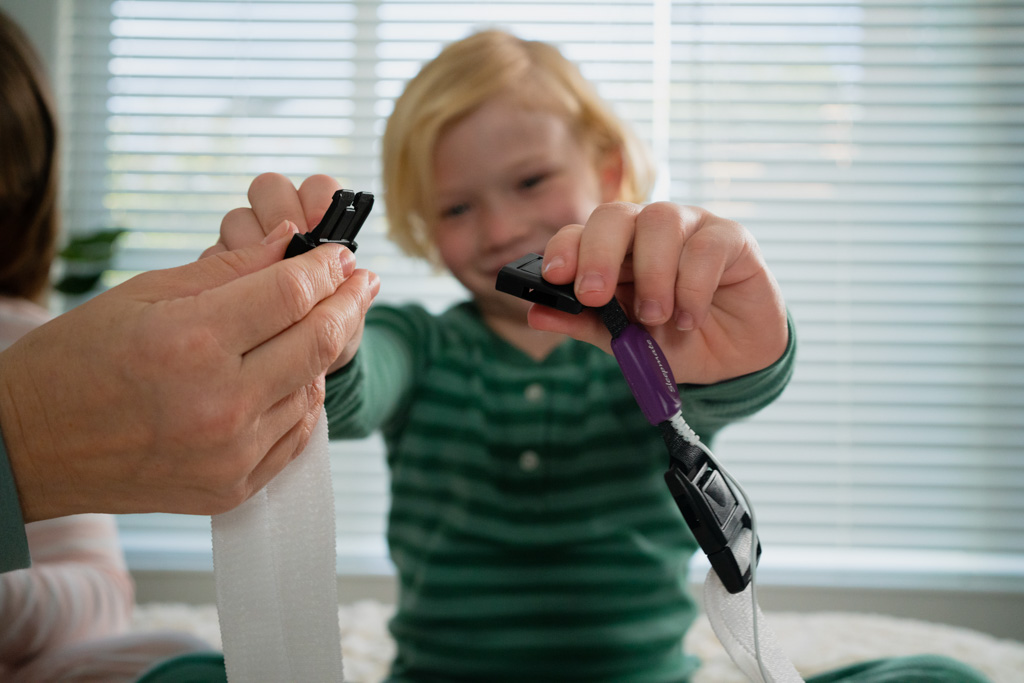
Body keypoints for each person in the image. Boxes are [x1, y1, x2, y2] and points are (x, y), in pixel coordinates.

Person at [215, 30, 988, 683]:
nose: (500, 225)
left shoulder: (660, 339)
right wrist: (324, 338)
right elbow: (356, 384)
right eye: (457, 207)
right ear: (422, 224)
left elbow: (739, 381)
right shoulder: (421, 342)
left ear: (610, 170)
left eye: (531, 179)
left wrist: (739, 343)